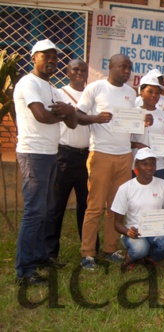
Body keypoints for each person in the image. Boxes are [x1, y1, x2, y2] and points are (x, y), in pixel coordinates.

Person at [75, 54, 153, 270]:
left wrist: (144, 120)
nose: (127, 72)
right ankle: (88, 253)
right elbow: (77, 115)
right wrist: (95, 119)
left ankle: (110, 249)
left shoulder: (130, 93)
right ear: (110, 67)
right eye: (123, 67)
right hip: (101, 154)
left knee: (116, 208)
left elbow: (132, 123)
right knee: (95, 206)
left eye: (129, 68)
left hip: (125, 156)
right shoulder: (95, 88)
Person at [13, 39, 77, 285]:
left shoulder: (53, 89)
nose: (51, 60)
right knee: (34, 212)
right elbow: (40, 115)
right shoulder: (28, 83)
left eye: (55, 56)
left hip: (51, 153)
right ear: (33, 58)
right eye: (45, 56)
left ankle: (40, 257)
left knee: (44, 210)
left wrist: (69, 112)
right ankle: (25, 270)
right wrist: (65, 113)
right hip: (33, 154)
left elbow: (71, 121)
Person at [45, 59, 91, 267]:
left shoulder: (92, 94)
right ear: (68, 72)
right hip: (64, 155)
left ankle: (89, 249)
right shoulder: (59, 93)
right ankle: (49, 252)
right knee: (56, 206)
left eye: (83, 70)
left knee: (86, 206)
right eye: (75, 69)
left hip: (86, 157)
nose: (80, 73)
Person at [112, 148, 164, 272]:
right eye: (145, 164)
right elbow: (117, 223)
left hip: (156, 232)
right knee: (140, 248)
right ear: (136, 165)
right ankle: (130, 258)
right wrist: (128, 232)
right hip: (136, 233)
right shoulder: (125, 188)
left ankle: (150, 257)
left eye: (153, 164)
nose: (149, 168)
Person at [131, 74, 164, 180]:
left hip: (159, 166)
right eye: (150, 91)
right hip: (138, 164)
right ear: (141, 93)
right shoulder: (133, 113)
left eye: (157, 93)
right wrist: (137, 144)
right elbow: (125, 140)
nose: (154, 95)